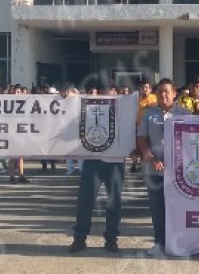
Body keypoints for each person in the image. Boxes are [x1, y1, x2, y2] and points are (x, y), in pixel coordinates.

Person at [137, 78, 191, 257]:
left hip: (180, 173)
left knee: (178, 208)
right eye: (160, 91)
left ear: (175, 93)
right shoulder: (148, 114)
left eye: (167, 91)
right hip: (155, 171)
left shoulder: (186, 114)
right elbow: (142, 139)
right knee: (157, 209)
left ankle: (179, 243)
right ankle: (159, 242)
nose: (163, 95)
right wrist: (150, 158)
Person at [68, 87, 125, 254]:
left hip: (115, 162)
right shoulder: (89, 109)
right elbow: (69, 118)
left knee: (114, 201)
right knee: (85, 200)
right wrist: (69, 98)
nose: (110, 95)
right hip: (92, 160)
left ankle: (112, 238)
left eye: (114, 92)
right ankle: (79, 238)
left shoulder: (125, 109)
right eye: (107, 92)